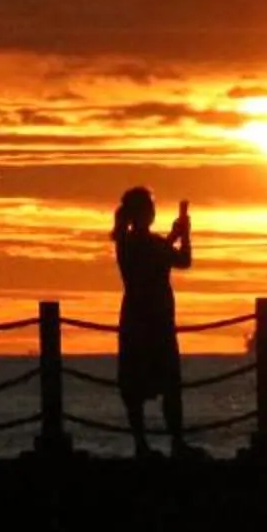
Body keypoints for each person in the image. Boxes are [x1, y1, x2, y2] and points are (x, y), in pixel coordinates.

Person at [112, 186, 198, 460]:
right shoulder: (139, 244)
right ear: (143, 213)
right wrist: (183, 235)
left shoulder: (127, 242)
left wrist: (177, 234)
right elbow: (181, 259)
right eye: (149, 207)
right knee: (166, 385)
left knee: (139, 387)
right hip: (154, 321)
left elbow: (167, 255)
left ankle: (144, 445)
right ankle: (172, 443)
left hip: (140, 319)